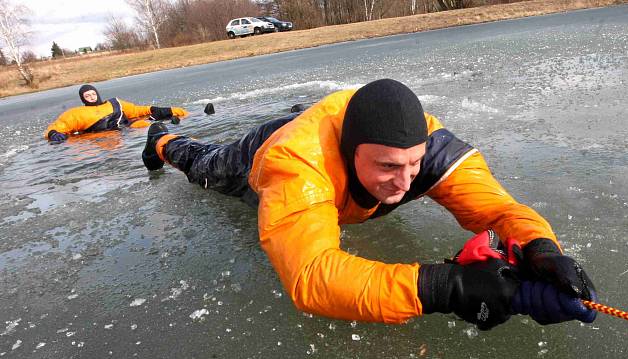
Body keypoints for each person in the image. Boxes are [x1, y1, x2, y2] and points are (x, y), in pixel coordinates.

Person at [142, 79, 597, 330]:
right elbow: (311, 276)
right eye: (385, 167)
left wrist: (542, 248)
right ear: (349, 150)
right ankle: (163, 140)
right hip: (253, 158)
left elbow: (499, 210)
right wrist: (444, 286)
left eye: (413, 165)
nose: (403, 183)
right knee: (202, 166)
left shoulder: (431, 150)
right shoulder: (297, 165)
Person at [43, 84, 188, 143]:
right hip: (103, 135)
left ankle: (173, 124)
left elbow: (135, 110)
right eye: (88, 96)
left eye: (93, 94)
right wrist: (53, 134)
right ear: (83, 99)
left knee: (144, 124)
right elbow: (58, 126)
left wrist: (153, 109)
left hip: (128, 127)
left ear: (97, 93)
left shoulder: (114, 103)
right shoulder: (76, 113)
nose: (92, 97)